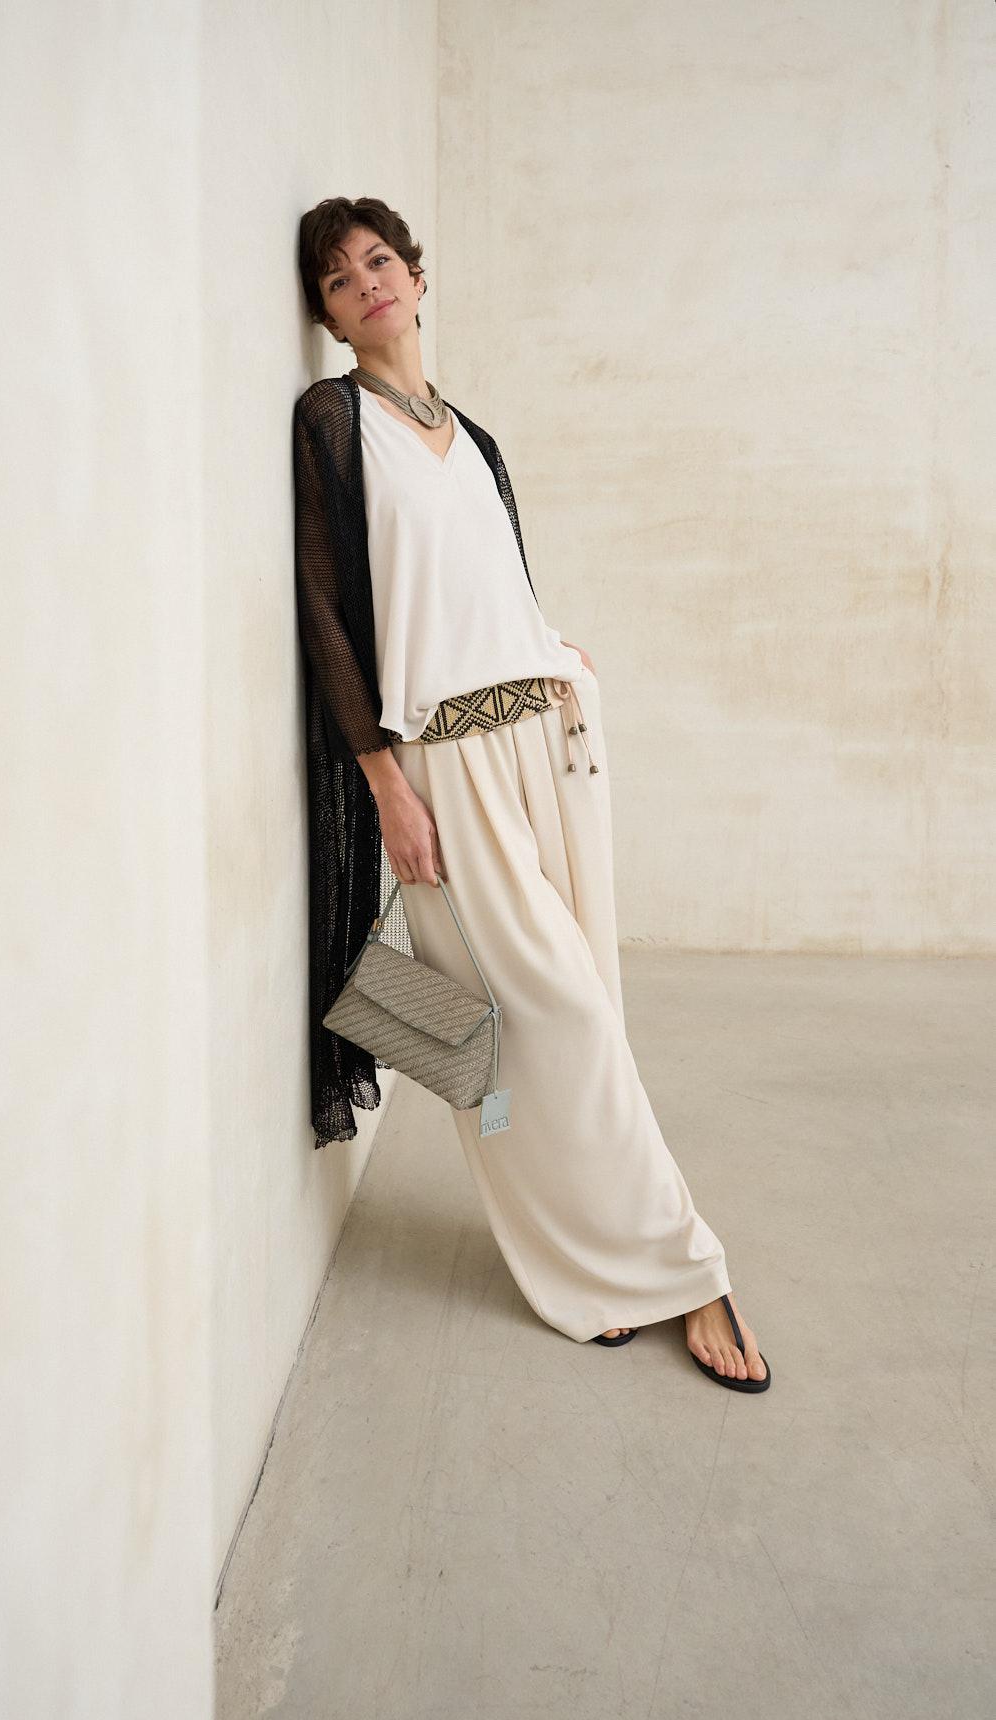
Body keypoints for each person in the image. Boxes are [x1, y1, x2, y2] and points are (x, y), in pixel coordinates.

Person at [293, 196, 770, 1391]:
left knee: (579, 1009)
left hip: (551, 738)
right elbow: (329, 615)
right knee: (538, 1022)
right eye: (340, 279)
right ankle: (684, 1266)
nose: (367, 283)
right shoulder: (333, 422)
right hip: (445, 763)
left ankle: (589, 1256)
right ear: (330, 315)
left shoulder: (475, 437)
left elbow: (489, 580)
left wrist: (554, 648)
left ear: (416, 277)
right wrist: (386, 783)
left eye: (380, 261)